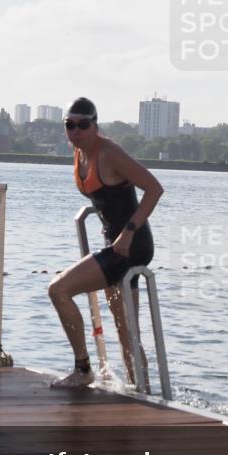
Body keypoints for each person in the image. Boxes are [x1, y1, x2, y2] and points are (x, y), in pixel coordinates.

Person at [48, 98, 163, 388]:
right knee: (126, 330)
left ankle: (82, 369)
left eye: (82, 125)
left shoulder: (109, 153)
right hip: (114, 243)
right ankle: (143, 391)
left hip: (130, 245)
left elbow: (154, 189)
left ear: (95, 126)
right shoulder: (79, 154)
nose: (75, 131)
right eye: (69, 125)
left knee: (59, 290)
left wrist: (128, 232)